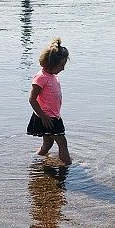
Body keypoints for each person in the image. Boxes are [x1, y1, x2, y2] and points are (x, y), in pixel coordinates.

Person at [27, 37, 72, 165]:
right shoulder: (41, 78)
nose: (63, 69)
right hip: (47, 118)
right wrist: (44, 117)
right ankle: (68, 166)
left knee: (48, 143)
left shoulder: (52, 75)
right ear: (51, 64)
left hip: (53, 116)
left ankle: (35, 160)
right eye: (61, 66)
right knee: (62, 142)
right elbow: (32, 99)